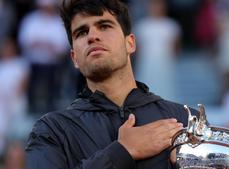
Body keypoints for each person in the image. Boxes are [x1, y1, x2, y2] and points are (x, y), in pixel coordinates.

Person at [25, 0, 195, 168]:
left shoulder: (185, 120)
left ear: (130, 43)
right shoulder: (51, 131)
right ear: (74, 58)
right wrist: (123, 151)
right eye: (82, 32)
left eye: (104, 26)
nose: (92, 36)